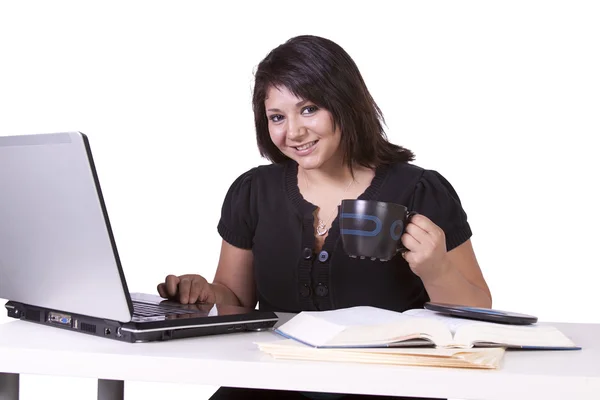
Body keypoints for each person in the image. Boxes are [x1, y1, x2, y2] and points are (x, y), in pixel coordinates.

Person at [157, 35, 492, 399]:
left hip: (387, 386)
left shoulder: (420, 190)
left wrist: (436, 269)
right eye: (276, 117)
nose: (294, 132)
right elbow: (236, 300)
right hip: (272, 383)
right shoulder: (253, 191)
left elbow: (478, 312)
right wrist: (205, 294)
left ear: (345, 104)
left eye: (309, 109)